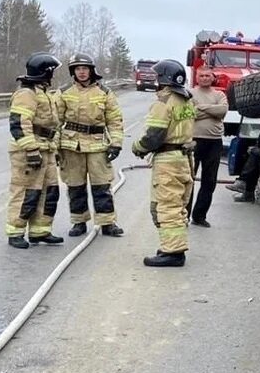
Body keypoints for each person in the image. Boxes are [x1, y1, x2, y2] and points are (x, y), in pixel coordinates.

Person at [132, 59, 196, 267]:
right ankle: (171, 244)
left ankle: (173, 252)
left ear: (163, 79)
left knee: (167, 205)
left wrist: (138, 148)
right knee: (177, 205)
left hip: (167, 160)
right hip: (183, 159)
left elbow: (154, 136)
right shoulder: (187, 100)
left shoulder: (164, 102)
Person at [58, 52, 125, 238]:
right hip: (72, 147)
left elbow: (115, 120)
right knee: (75, 186)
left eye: (84, 69)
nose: (81, 72)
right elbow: (55, 122)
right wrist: (56, 148)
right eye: (77, 69)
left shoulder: (104, 92)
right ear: (73, 71)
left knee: (102, 186)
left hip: (97, 147)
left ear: (91, 70)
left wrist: (116, 144)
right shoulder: (64, 93)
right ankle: (79, 222)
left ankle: (107, 224)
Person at [6, 52, 64, 249]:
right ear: (44, 72)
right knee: (25, 193)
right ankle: (16, 232)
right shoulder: (26, 93)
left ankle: (40, 231)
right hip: (29, 152)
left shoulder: (44, 92)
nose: (53, 75)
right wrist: (31, 150)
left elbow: (52, 124)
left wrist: (53, 147)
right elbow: (19, 124)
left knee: (49, 192)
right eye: (51, 72)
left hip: (46, 149)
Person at [189, 67, 228, 227]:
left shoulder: (219, 94)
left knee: (209, 181)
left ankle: (199, 216)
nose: (204, 78)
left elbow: (223, 111)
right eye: (201, 75)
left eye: (207, 76)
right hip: (193, 141)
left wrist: (200, 107)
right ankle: (183, 214)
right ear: (197, 78)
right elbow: (190, 113)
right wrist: (212, 110)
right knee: (188, 179)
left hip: (214, 142)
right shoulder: (189, 94)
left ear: (213, 78)